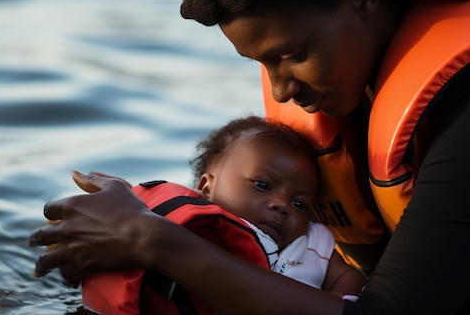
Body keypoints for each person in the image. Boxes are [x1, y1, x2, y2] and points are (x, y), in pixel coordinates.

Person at [29, 0, 470, 314]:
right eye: (263, 64)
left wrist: (150, 238)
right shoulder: (343, 82)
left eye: (291, 54)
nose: (279, 88)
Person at [80, 116, 366, 314]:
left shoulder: (309, 245)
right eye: (262, 186)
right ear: (206, 187)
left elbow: (349, 277)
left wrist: (335, 299)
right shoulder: (190, 229)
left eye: (300, 204)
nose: (282, 205)